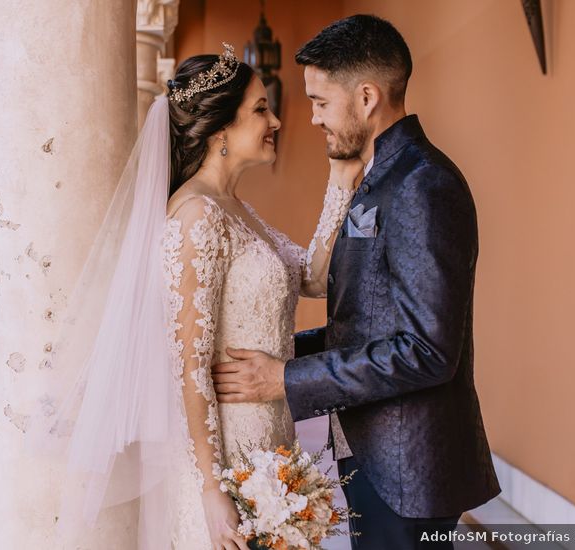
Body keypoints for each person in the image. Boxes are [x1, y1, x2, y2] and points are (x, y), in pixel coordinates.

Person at [38, 42, 361, 549]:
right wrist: (212, 488)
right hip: (225, 458)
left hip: (271, 438)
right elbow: (186, 366)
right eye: (260, 109)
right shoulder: (195, 218)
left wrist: (341, 179)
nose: (276, 120)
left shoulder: (235, 208)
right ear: (220, 131)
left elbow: (315, 277)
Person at [211, 16, 501, 549]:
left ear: (366, 97)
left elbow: (426, 351)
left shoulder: (422, 185)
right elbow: (368, 322)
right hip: (375, 456)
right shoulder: (380, 178)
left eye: (321, 102)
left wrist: (287, 380)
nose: (313, 118)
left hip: (407, 468)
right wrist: (278, 358)